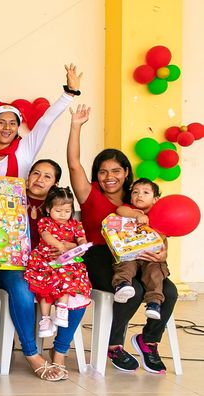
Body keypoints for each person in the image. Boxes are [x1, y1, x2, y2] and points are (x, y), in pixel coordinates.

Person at [67, 104, 177, 374]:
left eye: (116, 171)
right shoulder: (89, 193)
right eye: (103, 172)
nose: (110, 177)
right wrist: (76, 126)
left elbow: (158, 229)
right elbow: (73, 164)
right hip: (99, 255)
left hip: (137, 255)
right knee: (133, 290)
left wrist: (162, 251)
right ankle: (113, 344)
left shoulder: (137, 197)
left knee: (170, 291)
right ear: (97, 175)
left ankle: (148, 341)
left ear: (126, 172)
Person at [0, 64, 80, 177]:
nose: (7, 127)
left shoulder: (25, 147)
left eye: (12, 123)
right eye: (1, 122)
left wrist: (69, 93)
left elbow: (46, 121)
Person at [24, 187, 92, 341]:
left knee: (67, 277)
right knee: (44, 286)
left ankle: (62, 309)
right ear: (49, 209)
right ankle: (45, 319)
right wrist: (60, 245)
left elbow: (81, 238)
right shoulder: (45, 222)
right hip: (45, 260)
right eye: (58, 210)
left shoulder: (75, 224)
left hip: (66, 262)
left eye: (67, 211)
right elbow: (46, 235)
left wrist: (81, 246)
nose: (63, 215)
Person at [112, 179, 170, 320]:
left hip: (150, 256)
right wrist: (137, 215)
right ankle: (122, 285)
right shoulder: (130, 210)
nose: (140, 195)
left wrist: (164, 254)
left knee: (155, 272)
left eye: (145, 192)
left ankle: (154, 303)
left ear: (155, 199)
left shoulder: (159, 215)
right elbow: (120, 210)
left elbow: (163, 239)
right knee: (125, 264)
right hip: (130, 253)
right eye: (135, 192)